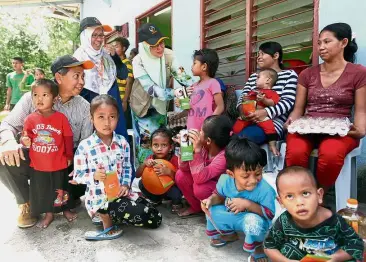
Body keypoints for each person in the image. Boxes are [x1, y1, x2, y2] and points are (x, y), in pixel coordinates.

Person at [0, 55, 94, 228]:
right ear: (59, 77)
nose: (81, 81)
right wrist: (8, 142)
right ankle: (26, 203)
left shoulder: (84, 106)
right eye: (76, 76)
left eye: (83, 77)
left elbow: (86, 145)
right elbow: (7, 124)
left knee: (76, 190)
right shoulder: (33, 97)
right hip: (37, 158)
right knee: (4, 156)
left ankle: (67, 198)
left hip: (66, 164)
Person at [285, 23, 366, 193]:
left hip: (341, 129)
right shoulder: (307, 74)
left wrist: (360, 129)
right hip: (308, 127)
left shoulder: (358, 73)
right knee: (295, 152)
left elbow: (360, 109)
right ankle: (300, 193)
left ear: (343, 42)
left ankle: (319, 194)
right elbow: (298, 109)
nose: (321, 47)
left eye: (327, 42)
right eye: (319, 43)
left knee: (330, 154)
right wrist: (291, 121)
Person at [72, 95, 162, 240]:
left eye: (112, 117)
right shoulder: (85, 146)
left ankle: (116, 215)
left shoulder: (122, 143)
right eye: (101, 117)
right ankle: (107, 224)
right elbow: (78, 175)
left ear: (118, 118)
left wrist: (126, 184)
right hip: (100, 199)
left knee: (153, 212)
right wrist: (94, 176)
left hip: (121, 194)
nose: (107, 122)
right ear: (91, 118)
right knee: (152, 220)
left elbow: (127, 167)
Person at [264, 166, 364, 261]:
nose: (299, 202)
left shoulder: (334, 221)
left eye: (305, 193)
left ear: (319, 195)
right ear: (281, 202)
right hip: (300, 258)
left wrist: (336, 258)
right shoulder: (284, 221)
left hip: (329, 257)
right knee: (286, 249)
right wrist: (285, 261)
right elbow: (269, 246)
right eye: (290, 196)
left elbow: (356, 244)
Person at [202, 137, 275, 262]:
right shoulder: (225, 180)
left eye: (258, 174)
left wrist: (247, 204)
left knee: (253, 223)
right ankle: (229, 234)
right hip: (232, 214)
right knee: (212, 210)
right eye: (245, 176)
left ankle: (258, 248)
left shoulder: (265, 190)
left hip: (253, 220)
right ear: (231, 174)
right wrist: (209, 200)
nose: (253, 180)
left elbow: (269, 214)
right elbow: (219, 196)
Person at [20, 79, 76, 228]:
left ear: (54, 98)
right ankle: (49, 214)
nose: (39, 99)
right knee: (43, 190)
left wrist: (69, 156)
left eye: (45, 95)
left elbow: (68, 137)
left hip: (58, 162)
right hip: (38, 165)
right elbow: (26, 137)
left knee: (62, 188)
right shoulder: (30, 119)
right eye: (35, 95)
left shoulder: (61, 118)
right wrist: (24, 140)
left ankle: (65, 210)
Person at [130, 23, 178, 164]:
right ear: (144, 46)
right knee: (147, 143)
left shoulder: (167, 57)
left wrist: (191, 87)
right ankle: (146, 176)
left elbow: (181, 75)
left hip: (160, 108)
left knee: (162, 141)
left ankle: (162, 173)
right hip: (143, 107)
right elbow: (152, 90)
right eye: (154, 45)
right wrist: (176, 93)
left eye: (161, 42)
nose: (160, 47)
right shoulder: (138, 61)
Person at [73, 17, 128, 138]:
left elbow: (123, 75)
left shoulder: (106, 55)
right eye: (94, 35)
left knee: (117, 146)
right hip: (90, 113)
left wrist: (115, 57)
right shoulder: (77, 59)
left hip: (113, 111)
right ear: (85, 36)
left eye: (101, 35)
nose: (99, 39)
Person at [236, 42, 298, 145]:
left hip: (273, 123)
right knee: (224, 134)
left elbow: (288, 102)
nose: (259, 57)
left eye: (263, 54)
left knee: (244, 138)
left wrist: (265, 112)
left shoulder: (289, 75)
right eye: (258, 54)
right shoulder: (254, 77)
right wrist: (243, 112)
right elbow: (242, 98)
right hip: (247, 120)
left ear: (276, 56)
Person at [176, 115, 232, 218]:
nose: (198, 132)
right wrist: (185, 148)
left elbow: (199, 178)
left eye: (201, 131)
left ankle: (215, 212)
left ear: (209, 140)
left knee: (200, 188)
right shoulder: (204, 146)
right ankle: (197, 207)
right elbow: (184, 168)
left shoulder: (223, 157)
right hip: (204, 181)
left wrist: (196, 151)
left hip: (221, 193)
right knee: (180, 175)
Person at [233, 69, 280, 155]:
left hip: (261, 117)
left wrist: (264, 99)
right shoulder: (253, 91)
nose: (256, 79)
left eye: (258, 77)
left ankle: (272, 145)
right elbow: (247, 102)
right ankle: (233, 134)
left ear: (268, 80)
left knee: (269, 126)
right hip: (249, 115)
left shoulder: (272, 93)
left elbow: (273, 103)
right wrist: (245, 99)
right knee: (239, 122)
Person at [176, 49, 224, 130]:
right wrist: (181, 104)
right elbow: (189, 108)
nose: (192, 66)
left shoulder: (213, 83)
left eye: (194, 63)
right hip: (191, 128)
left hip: (206, 130)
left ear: (204, 67)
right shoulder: (193, 86)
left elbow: (220, 106)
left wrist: (209, 124)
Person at [136, 127, 182, 213]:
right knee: (141, 183)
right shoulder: (150, 159)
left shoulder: (175, 159)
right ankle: (156, 200)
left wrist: (169, 172)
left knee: (176, 190)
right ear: (151, 146)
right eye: (156, 145)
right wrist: (144, 164)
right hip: (156, 189)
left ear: (171, 147)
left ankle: (177, 202)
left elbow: (181, 180)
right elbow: (137, 175)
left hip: (170, 189)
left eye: (164, 145)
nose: (159, 148)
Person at [111, 37, 134, 129]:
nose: (114, 49)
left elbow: (129, 82)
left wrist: (124, 101)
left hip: (122, 100)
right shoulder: (115, 63)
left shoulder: (126, 63)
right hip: (116, 99)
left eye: (116, 46)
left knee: (123, 124)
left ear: (123, 49)